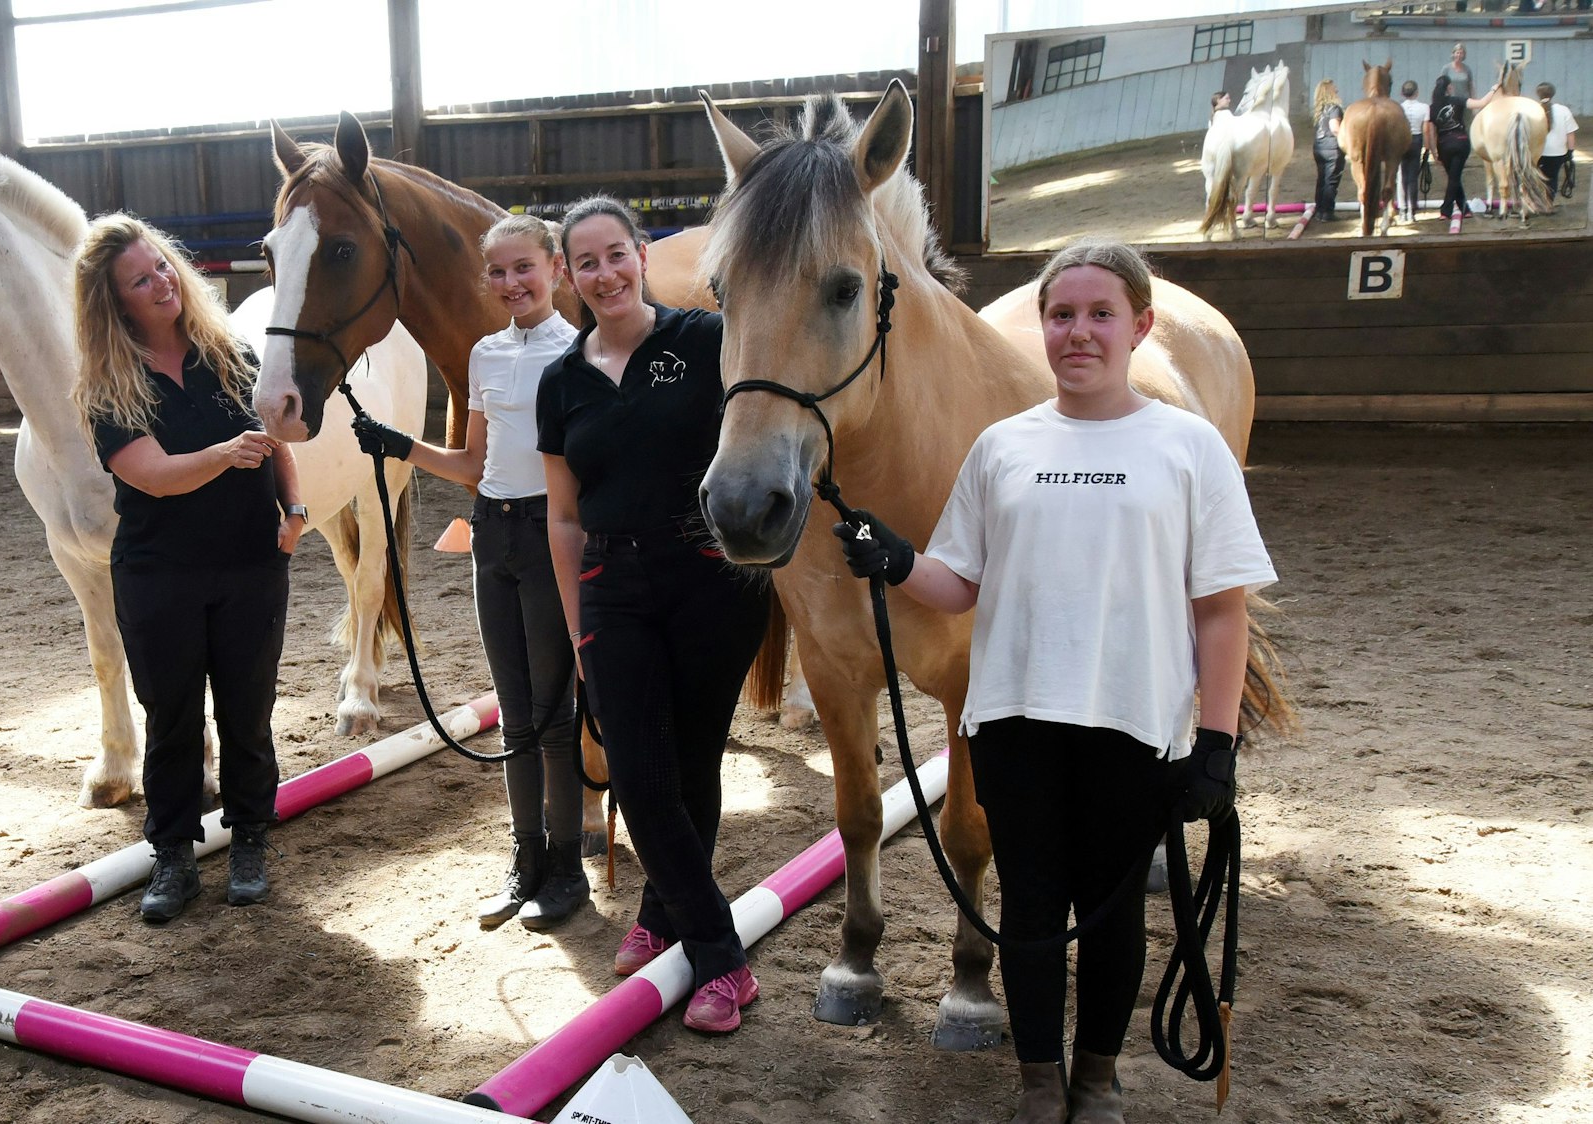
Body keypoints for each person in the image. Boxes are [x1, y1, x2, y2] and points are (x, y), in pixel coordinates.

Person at [831, 241, 1277, 1124]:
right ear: (1044, 329)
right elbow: (962, 583)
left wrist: (1217, 744)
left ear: (1140, 325)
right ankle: (1040, 1082)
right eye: (1062, 315)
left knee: (1110, 916)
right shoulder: (1003, 448)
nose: (1078, 332)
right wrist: (896, 560)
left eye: (1099, 314)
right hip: (1014, 723)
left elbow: (1222, 610)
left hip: (1131, 723)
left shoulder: (1188, 448)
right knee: (1030, 907)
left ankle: (1097, 1078)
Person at [535, 196, 772, 1034]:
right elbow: (563, 515)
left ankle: (661, 912)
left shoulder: (705, 341)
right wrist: (576, 626)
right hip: (610, 583)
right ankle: (721, 956)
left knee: (693, 762)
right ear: (568, 273)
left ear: (641, 254)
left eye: (616, 254)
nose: (604, 274)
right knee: (636, 771)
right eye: (586, 262)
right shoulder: (559, 381)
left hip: (710, 577)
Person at [352, 215, 590, 931]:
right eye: (499, 272)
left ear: (554, 268)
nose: (511, 283)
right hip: (496, 535)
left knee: (555, 715)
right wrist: (399, 444)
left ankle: (568, 864)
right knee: (515, 711)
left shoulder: (580, 354)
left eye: (525, 268)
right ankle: (524, 856)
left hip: (551, 534)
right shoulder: (485, 355)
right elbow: (471, 465)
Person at [70, 214, 305, 924]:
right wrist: (226, 454)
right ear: (116, 303)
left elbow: (277, 444)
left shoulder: (229, 352)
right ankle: (172, 853)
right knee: (171, 717)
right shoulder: (109, 385)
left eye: (162, 267)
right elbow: (156, 476)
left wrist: (293, 512)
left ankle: (250, 841)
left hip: (249, 565)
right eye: (140, 280)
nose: (161, 283)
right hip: (159, 574)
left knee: (249, 709)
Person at [1426, 75, 1500, 220]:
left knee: (1453, 177)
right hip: (1461, 142)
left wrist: (1433, 150)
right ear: (1449, 88)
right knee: (1455, 177)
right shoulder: (1457, 100)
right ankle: (1450, 210)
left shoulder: (1432, 108)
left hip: (1444, 145)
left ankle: (1459, 209)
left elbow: (1431, 131)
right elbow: (1481, 103)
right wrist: (1493, 89)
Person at [1535, 82, 1579, 203]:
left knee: (1534, 177)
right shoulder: (1563, 110)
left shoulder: (1532, 109)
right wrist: (1570, 152)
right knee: (1551, 179)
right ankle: (1548, 204)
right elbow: (1570, 133)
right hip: (1557, 153)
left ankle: (1534, 202)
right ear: (1553, 94)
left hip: (1536, 153)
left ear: (1538, 94)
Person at [1310, 79, 1346, 224]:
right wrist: (1345, 140)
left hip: (1318, 147)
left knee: (1321, 180)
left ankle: (1319, 210)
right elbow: (1334, 127)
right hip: (1332, 148)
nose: (1337, 89)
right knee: (1331, 181)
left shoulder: (1320, 110)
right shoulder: (1334, 108)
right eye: (1334, 87)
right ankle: (1327, 212)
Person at [1399, 79, 1431, 221]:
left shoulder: (1399, 108)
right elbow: (1426, 130)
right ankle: (1412, 210)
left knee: (1401, 176)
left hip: (1402, 140)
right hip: (1416, 140)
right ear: (1417, 93)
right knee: (1413, 177)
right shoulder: (1424, 107)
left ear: (1402, 93)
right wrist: (1427, 147)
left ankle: (1402, 209)